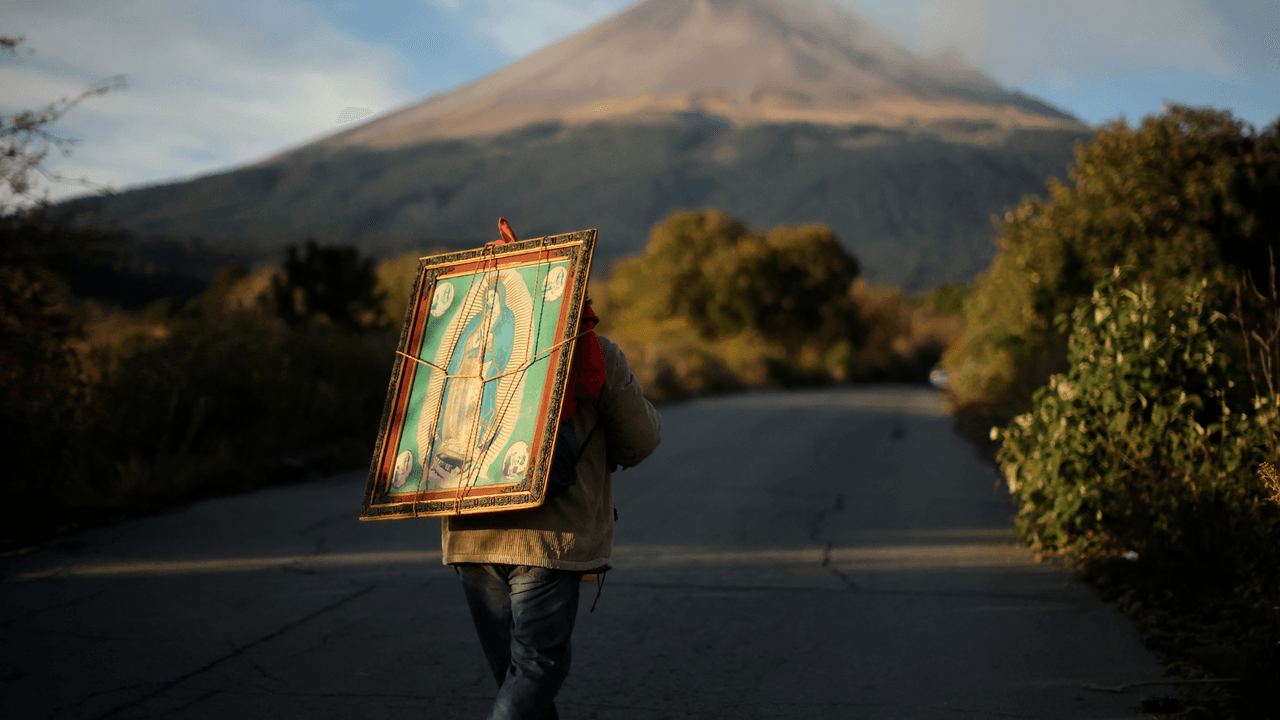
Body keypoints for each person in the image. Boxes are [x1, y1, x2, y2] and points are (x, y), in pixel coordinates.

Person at [443, 223, 662, 720]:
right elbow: (641, 440)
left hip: (472, 533)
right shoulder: (590, 350)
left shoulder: (455, 352)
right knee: (537, 666)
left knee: (516, 673)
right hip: (548, 538)